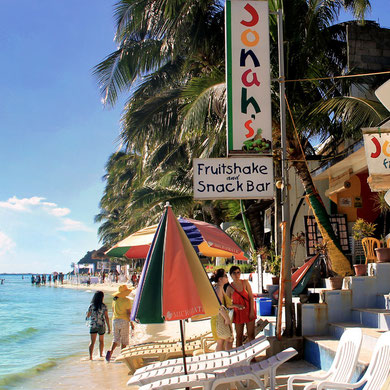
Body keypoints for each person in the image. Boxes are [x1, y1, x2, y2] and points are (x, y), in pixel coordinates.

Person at [210, 269, 244, 351]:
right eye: (225, 276)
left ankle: (222, 359)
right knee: (223, 341)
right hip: (220, 318)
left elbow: (225, 304)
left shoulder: (219, 288)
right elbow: (220, 306)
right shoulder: (218, 289)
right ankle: (222, 359)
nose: (227, 277)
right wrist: (227, 318)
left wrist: (236, 305)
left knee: (223, 341)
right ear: (220, 279)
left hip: (219, 317)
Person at [226, 266, 256, 347]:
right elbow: (227, 304)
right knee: (239, 336)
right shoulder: (229, 288)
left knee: (251, 335)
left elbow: (251, 297)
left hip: (248, 310)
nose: (236, 275)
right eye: (234, 273)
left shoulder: (245, 283)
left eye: (238, 272)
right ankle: (239, 355)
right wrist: (236, 305)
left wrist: (252, 311)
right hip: (238, 313)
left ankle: (253, 356)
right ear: (231, 275)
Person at [105, 285, 134, 362]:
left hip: (115, 320)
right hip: (124, 320)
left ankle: (110, 352)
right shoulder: (126, 301)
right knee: (124, 340)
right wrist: (131, 323)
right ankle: (122, 356)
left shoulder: (115, 300)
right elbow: (128, 313)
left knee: (116, 339)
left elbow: (113, 310)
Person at [86, 291, 110, 360]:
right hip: (101, 325)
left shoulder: (91, 306)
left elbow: (88, 316)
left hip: (93, 325)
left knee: (92, 342)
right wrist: (109, 328)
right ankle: (100, 354)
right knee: (101, 341)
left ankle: (90, 357)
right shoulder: (104, 306)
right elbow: (106, 317)